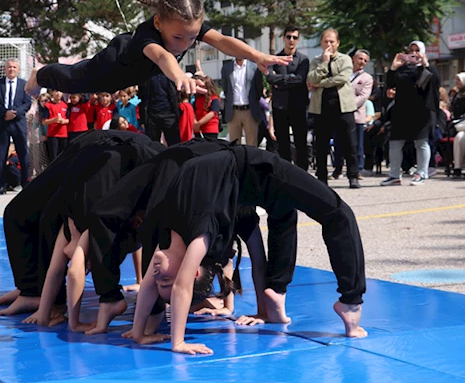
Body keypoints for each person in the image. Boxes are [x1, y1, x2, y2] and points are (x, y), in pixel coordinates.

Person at [129, 145, 367, 355]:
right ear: (192, 272)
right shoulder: (200, 236)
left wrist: (139, 333)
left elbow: (150, 285)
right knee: (338, 213)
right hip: (252, 171)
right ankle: (350, 301)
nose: (157, 274)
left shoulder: (167, 239)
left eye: (161, 280)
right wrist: (177, 342)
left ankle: (274, 293)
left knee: (284, 210)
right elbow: (182, 287)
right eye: (165, 280)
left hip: (239, 175)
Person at [26, 0, 290, 98]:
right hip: (109, 69)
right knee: (74, 79)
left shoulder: (186, 27)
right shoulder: (147, 37)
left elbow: (221, 41)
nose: (184, 43)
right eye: (178, 38)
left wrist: (257, 55)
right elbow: (164, 58)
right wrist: (180, 77)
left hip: (138, 74)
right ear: (158, 23)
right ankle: (41, 74)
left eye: (191, 37)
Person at [0, 130, 163, 317]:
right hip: (101, 149)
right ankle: (32, 289)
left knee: (26, 216)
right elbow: (68, 269)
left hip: (111, 152)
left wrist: (52, 308)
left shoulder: (82, 221)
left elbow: (69, 269)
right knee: (18, 213)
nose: (68, 256)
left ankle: (35, 291)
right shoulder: (82, 219)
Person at [381, 41, 439, 186]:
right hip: (401, 110)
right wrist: (394, 67)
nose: (414, 54)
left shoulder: (428, 69)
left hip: (421, 112)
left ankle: (422, 173)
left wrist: (425, 64)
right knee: (395, 143)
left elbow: (434, 82)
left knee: (421, 143)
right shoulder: (403, 69)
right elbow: (390, 84)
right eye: (411, 50)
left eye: (417, 50)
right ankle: (394, 175)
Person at [307, 30, 360, 188]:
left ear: (338, 43)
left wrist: (321, 83)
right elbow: (311, 78)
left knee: (349, 143)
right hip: (321, 108)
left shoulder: (345, 59)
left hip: (343, 107)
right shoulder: (316, 61)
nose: (329, 45)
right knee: (321, 144)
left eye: (332, 42)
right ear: (321, 43)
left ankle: (353, 175)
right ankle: (321, 177)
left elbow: (342, 78)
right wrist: (324, 63)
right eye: (325, 42)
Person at [266, 27, 310, 170]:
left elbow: (300, 79)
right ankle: (287, 174)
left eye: (295, 37)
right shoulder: (275, 59)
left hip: (298, 106)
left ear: (298, 40)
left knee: (300, 143)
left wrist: (281, 81)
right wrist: (289, 79)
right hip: (280, 107)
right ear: (283, 38)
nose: (291, 40)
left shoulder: (303, 60)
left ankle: (303, 173)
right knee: (282, 144)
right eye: (289, 37)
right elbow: (270, 78)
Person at [0, 59, 32, 196]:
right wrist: (5, 113)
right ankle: (2, 185)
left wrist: (15, 114)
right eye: (9, 67)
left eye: (14, 67)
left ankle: (26, 183)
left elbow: (27, 103)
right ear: (5, 69)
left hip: (18, 123)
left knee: (23, 154)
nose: (12, 69)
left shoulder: (24, 85)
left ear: (18, 70)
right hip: (2, 124)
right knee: (2, 155)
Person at [333, 49, 373, 180]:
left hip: (356, 116)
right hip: (338, 114)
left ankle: (358, 170)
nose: (362, 62)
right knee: (338, 144)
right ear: (353, 59)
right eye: (360, 59)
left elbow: (363, 97)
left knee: (356, 145)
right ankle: (337, 169)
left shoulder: (367, 78)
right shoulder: (343, 73)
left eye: (365, 60)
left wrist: (347, 106)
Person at [222, 42, 265, 147]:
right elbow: (226, 89)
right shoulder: (226, 68)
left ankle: (251, 164)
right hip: (233, 112)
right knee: (234, 146)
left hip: (250, 111)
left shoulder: (254, 67)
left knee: (252, 145)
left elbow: (258, 89)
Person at [43, 90, 68, 163]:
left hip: (63, 135)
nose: (58, 93)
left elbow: (69, 120)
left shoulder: (65, 105)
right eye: (56, 91)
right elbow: (44, 121)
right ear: (52, 93)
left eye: (60, 91)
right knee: (53, 157)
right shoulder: (48, 105)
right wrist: (54, 120)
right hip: (52, 135)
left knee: (63, 155)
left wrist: (64, 121)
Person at [192, 75, 220, 139]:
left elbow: (213, 113)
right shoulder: (197, 98)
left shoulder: (214, 98)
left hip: (210, 128)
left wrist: (199, 123)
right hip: (197, 129)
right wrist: (195, 122)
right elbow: (193, 110)